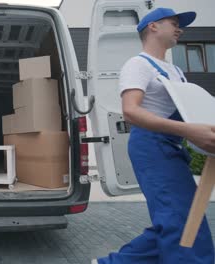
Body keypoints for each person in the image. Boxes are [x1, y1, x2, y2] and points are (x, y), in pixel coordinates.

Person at [94, 8, 215, 264]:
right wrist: (189, 131)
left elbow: (189, 114)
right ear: (153, 27)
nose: (180, 29)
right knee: (179, 218)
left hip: (171, 145)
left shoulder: (175, 71)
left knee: (180, 216)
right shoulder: (138, 65)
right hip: (150, 146)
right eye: (174, 23)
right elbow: (130, 111)